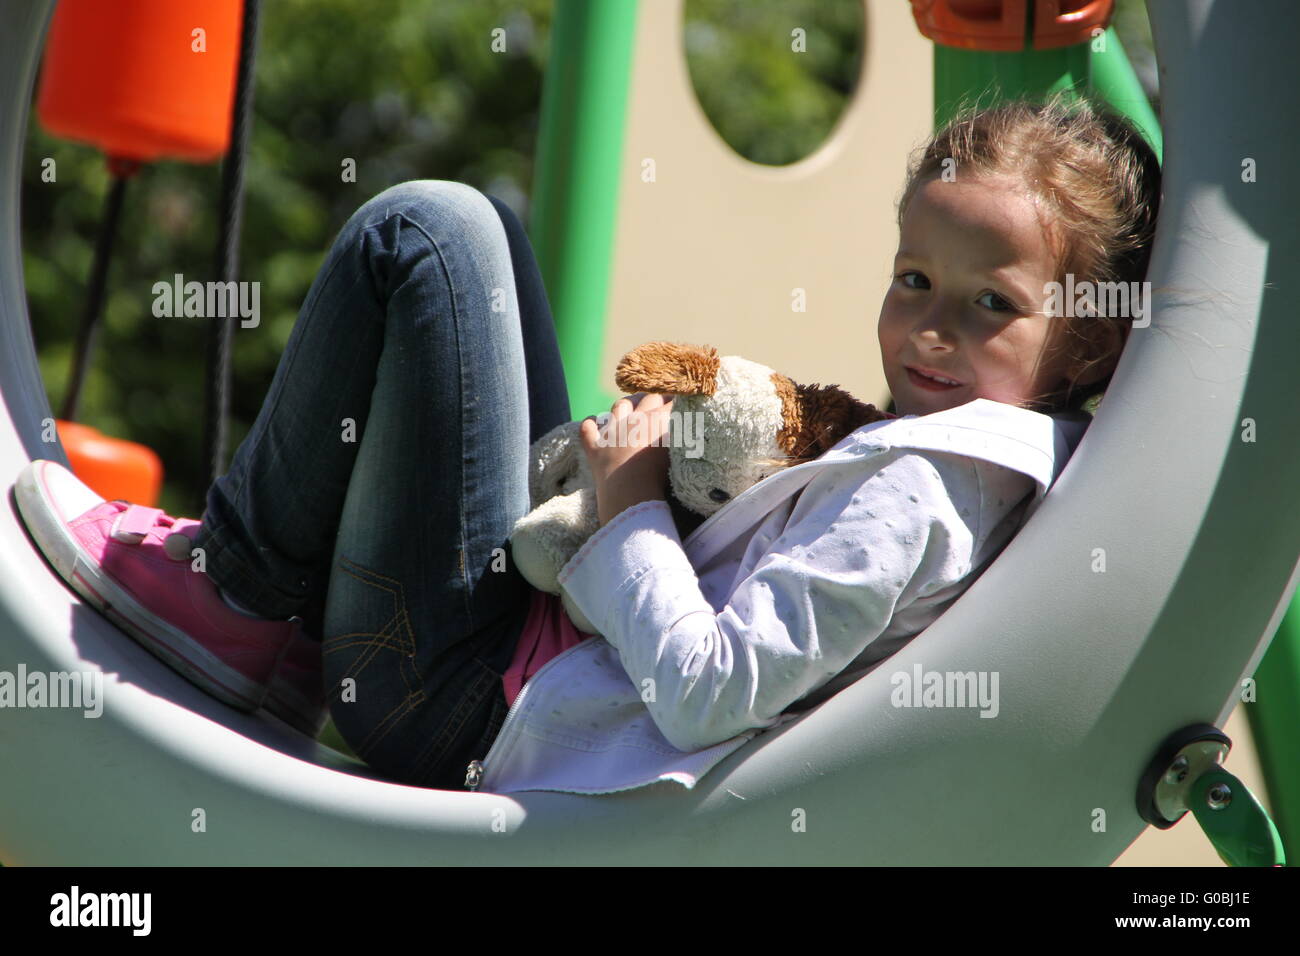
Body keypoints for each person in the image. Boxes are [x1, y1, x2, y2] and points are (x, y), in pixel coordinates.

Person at [16, 91, 1161, 795]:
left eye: (989, 305)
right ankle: (283, 628)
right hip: (502, 662)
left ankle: (241, 592)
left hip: (460, 702)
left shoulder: (918, 492)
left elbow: (715, 689)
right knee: (493, 248)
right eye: (914, 278)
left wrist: (634, 508)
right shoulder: (973, 469)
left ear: (1086, 350)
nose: (930, 326)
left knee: (428, 231)